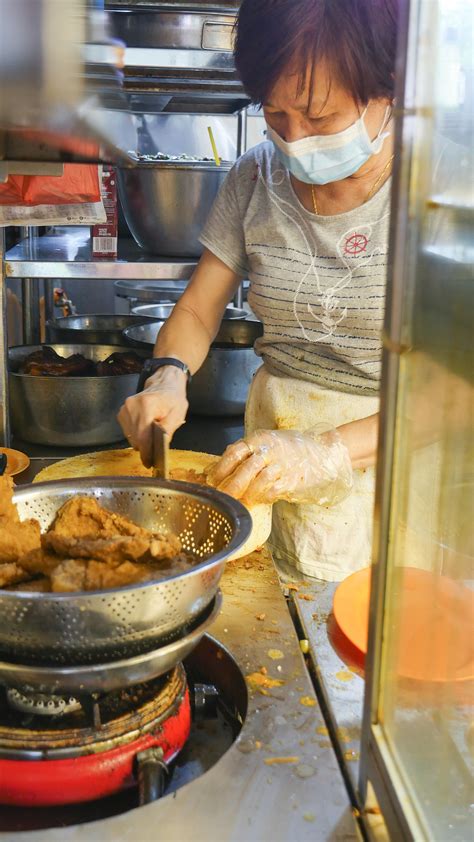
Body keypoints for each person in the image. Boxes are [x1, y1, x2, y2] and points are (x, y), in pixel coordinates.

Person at [118, 0, 398, 582]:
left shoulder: (440, 191)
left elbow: (456, 393)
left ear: (387, 88)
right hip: (270, 461)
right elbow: (199, 308)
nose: (294, 140)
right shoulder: (254, 176)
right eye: (275, 115)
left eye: (319, 118)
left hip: (395, 469)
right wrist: (167, 375)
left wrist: (325, 453)